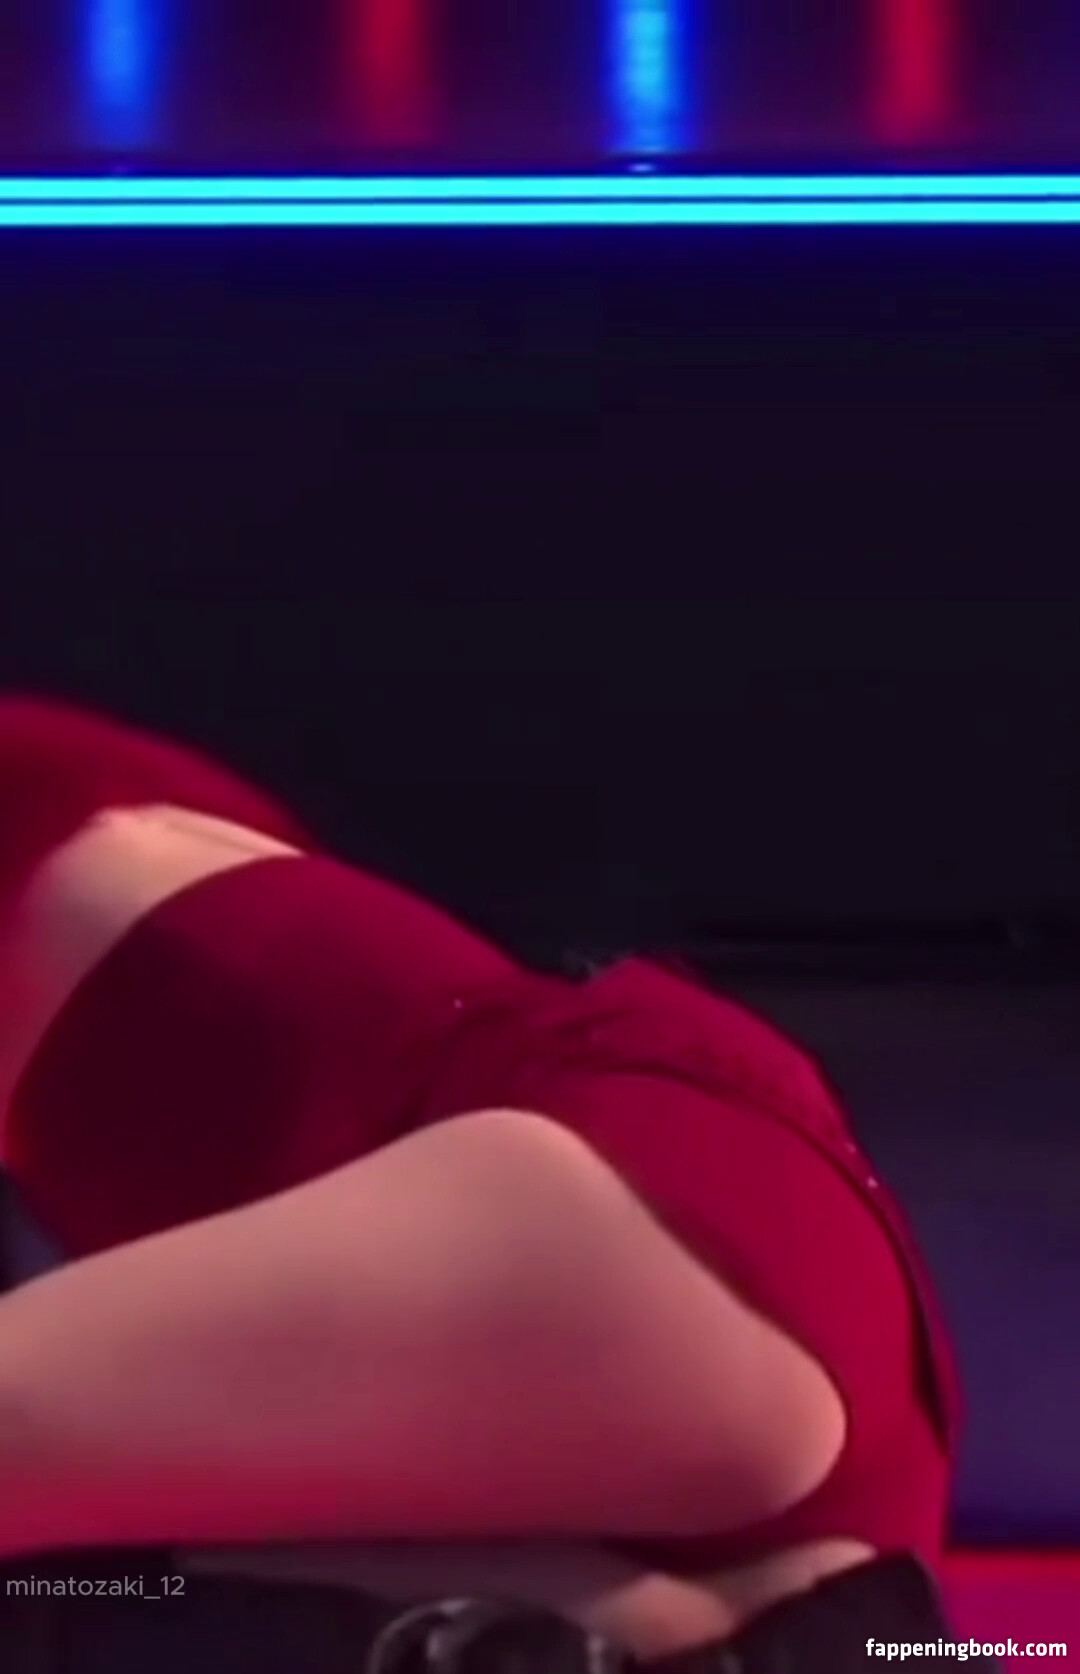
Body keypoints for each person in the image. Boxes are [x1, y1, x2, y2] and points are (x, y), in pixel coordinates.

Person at [0, 693, 963, 1671]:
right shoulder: (170, 852)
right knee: (92, 1583)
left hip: (647, 1240)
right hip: (741, 1318)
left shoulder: (80, 839)